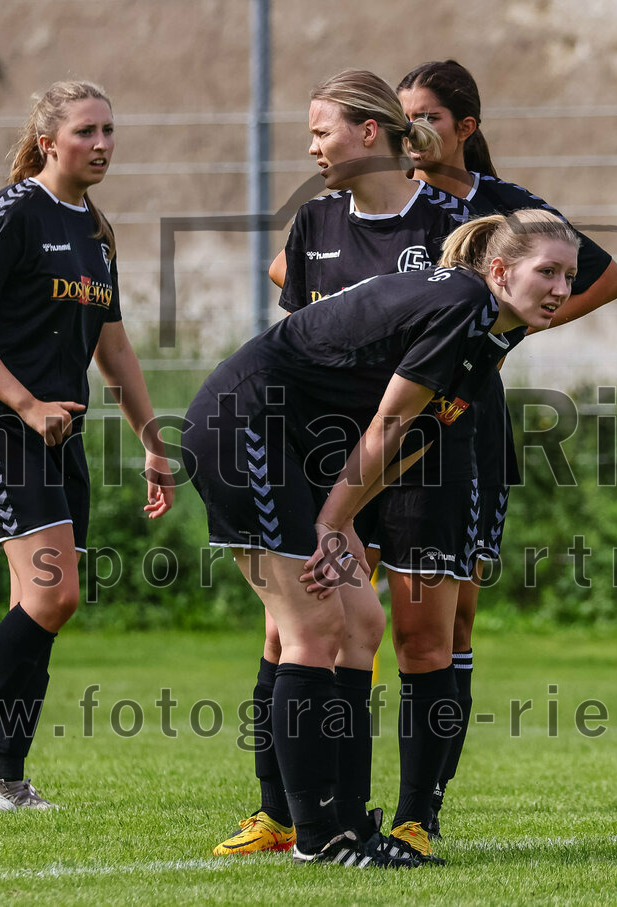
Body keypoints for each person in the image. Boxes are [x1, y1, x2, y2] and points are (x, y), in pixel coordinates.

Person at [184, 208, 580, 866]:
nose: (563, 289)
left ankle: (346, 822)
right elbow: (388, 427)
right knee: (311, 630)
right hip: (243, 425)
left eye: (570, 274)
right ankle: (319, 836)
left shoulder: (491, 331)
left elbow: (412, 442)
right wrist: (332, 523)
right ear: (502, 270)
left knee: (360, 622)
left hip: (287, 441)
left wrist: (335, 521)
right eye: (548, 272)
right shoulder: (461, 302)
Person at [214, 68, 471, 858]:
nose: (313, 147)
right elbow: (297, 348)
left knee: (412, 631)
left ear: (370, 131)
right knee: (301, 623)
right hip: (319, 454)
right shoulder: (315, 221)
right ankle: (292, 815)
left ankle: (405, 819)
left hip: (417, 454)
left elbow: (448, 367)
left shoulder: (453, 226)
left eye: (321, 130)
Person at [394, 59, 617, 842]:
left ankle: (424, 804)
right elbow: (295, 265)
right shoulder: (385, 198)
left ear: (465, 125)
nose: (408, 129)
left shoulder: (508, 210)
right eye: (400, 115)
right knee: (345, 617)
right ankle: (300, 804)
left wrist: (522, 323)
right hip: (374, 421)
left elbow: (606, 273)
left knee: (454, 621)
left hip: (467, 422)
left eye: (425, 115)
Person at [0, 80, 174, 811]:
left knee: (49, 601)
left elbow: (115, 346)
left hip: (60, 430)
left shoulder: (97, 230)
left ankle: (5, 769)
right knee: (53, 591)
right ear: (47, 142)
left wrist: (153, 441)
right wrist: (26, 404)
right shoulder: (10, 216)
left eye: (109, 130)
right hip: (1, 424)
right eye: (86, 131)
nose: (101, 145)